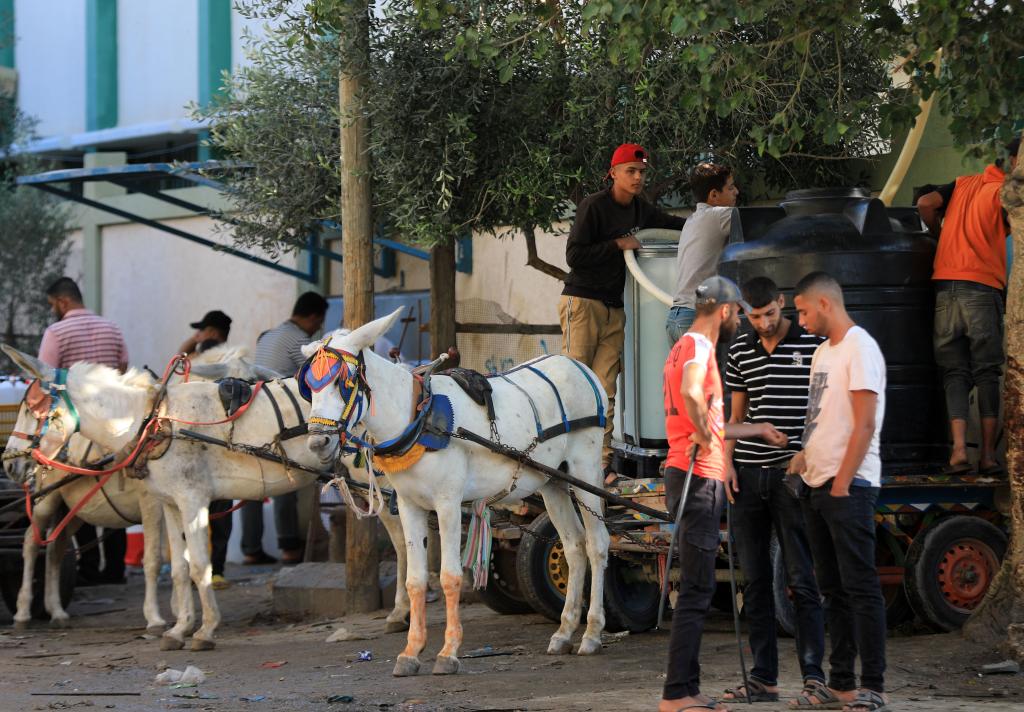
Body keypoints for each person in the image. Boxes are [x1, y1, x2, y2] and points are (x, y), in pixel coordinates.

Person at [660, 275, 788, 712]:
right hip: (697, 476)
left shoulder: (681, 346)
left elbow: (709, 417)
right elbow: (693, 394)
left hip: (691, 472)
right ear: (728, 310)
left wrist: (754, 428)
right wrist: (703, 434)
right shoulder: (698, 347)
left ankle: (690, 690)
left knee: (695, 587)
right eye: (740, 315)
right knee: (696, 590)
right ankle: (677, 694)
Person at [720, 276, 825, 704]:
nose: (762, 323)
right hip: (746, 475)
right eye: (753, 315)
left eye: (769, 314)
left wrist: (808, 462)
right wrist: (726, 461)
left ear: (781, 303)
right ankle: (763, 678)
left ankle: (814, 676)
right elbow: (736, 412)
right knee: (756, 580)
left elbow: (822, 410)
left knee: (801, 579)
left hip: (791, 476)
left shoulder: (811, 344)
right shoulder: (741, 349)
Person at [788, 271, 888, 712]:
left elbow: (866, 423)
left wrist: (844, 482)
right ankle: (841, 682)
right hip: (816, 482)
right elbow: (820, 415)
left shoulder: (860, 348)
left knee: (861, 587)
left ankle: (873, 686)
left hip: (849, 486)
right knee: (832, 590)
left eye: (804, 311)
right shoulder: (822, 353)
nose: (801, 320)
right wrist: (803, 454)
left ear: (825, 304)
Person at [559, 143, 686, 484]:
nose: (637, 177)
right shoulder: (593, 206)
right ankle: (563, 460)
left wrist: (705, 224)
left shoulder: (640, 210)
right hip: (582, 304)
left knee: (604, 389)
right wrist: (617, 245)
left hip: (615, 307)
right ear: (613, 173)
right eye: (631, 171)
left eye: (642, 172)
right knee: (575, 384)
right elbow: (574, 255)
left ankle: (599, 464)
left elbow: (671, 224)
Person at [915, 136, 1019, 474]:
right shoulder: (1007, 193)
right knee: (987, 372)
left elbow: (925, 203)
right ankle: (988, 456)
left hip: (945, 288)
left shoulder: (962, 183)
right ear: (1015, 162)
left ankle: (959, 451)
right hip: (982, 289)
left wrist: (937, 235)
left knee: (955, 372)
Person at [38, 277, 130, 586]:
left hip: (79, 426)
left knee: (77, 493)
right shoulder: (112, 328)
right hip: (116, 425)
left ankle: (89, 567)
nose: (53, 311)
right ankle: (115, 569)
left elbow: (45, 381)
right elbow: (123, 368)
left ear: (62, 302)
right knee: (118, 486)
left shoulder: (56, 332)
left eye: (52, 305)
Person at [241, 291, 328, 565]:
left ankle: (251, 549)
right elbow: (321, 379)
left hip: (254, 412)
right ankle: (290, 546)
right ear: (314, 317)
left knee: (252, 485)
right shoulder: (300, 341)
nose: (318, 328)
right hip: (281, 416)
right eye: (319, 322)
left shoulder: (268, 336)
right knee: (286, 478)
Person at [181, 310, 235, 590]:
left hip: (198, 452)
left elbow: (175, 365)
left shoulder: (199, 365)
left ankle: (197, 568)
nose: (197, 336)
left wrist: (193, 344)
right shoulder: (232, 363)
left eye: (201, 331)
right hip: (221, 452)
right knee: (219, 513)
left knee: (196, 513)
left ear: (212, 333)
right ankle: (215, 570)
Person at [667, 162, 739, 344]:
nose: (736, 192)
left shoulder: (692, 219)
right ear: (714, 195)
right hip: (696, 317)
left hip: (676, 318)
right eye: (730, 187)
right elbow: (761, 223)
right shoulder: (720, 216)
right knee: (707, 373)